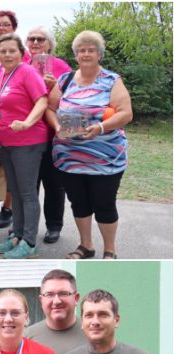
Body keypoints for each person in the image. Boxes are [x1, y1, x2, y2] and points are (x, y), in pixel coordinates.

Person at [46, 31, 132, 261]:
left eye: (90, 50)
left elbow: (126, 113)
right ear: (76, 55)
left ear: (99, 54)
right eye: (81, 50)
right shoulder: (65, 79)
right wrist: (56, 126)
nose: (85, 54)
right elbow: (50, 108)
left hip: (105, 159)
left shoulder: (111, 80)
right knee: (79, 203)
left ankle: (110, 250)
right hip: (69, 157)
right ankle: (86, 246)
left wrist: (101, 128)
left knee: (104, 204)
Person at [0, 33, 49, 259]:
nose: (7, 54)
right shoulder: (2, 75)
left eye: (12, 50)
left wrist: (27, 123)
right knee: (15, 192)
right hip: (8, 143)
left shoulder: (27, 72)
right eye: (3, 51)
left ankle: (30, 241)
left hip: (28, 142)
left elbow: (42, 100)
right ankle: (17, 235)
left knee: (27, 193)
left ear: (21, 53)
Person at [25, 27, 73, 245]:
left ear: (49, 44)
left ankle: (54, 226)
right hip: (27, 135)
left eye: (40, 39)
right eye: (32, 38)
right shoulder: (21, 65)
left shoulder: (61, 66)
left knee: (54, 183)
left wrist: (56, 88)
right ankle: (27, 227)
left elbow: (74, 99)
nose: (35, 42)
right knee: (28, 184)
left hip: (53, 134)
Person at [0, 10, 31, 229]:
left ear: (14, 28)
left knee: (8, 164)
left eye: (6, 24)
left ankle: (8, 207)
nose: (1, 28)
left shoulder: (23, 54)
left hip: (12, 117)